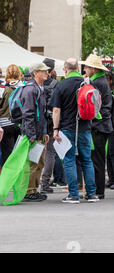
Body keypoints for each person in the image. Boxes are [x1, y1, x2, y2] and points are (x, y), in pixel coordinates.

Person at [51, 58, 99, 203]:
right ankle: (91, 194)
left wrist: (55, 129)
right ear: (78, 68)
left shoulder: (61, 85)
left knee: (69, 160)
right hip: (85, 127)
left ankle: (73, 195)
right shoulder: (86, 84)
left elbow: (56, 110)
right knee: (87, 160)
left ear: (65, 70)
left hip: (67, 128)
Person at [81, 54, 113, 199]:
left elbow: (95, 107)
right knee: (98, 159)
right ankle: (98, 190)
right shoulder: (100, 80)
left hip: (98, 126)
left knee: (97, 160)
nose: (85, 69)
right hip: (102, 125)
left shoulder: (97, 83)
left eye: (87, 67)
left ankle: (98, 191)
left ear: (93, 69)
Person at [21, 63, 50, 202]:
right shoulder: (31, 90)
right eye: (43, 71)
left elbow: (41, 114)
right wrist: (32, 135)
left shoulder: (39, 88)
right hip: (33, 134)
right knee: (33, 162)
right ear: (35, 73)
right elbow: (28, 114)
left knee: (39, 162)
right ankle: (29, 191)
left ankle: (34, 189)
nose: (46, 73)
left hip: (39, 133)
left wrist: (44, 132)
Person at [40, 58, 59, 194]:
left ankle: (33, 181)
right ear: (52, 70)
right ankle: (45, 182)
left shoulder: (36, 83)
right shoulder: (56, 84)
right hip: (52, 121)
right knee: (51, 152)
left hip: (39, 121)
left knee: (36, 150)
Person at [0, 65, 23, 167]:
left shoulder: (3, 88)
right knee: (17, 154)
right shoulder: (23, 87)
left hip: (5, 124)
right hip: (19, 124)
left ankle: (6, 179)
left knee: (7, 154)